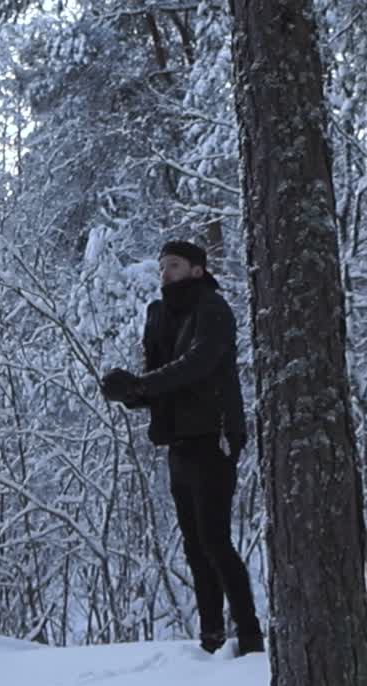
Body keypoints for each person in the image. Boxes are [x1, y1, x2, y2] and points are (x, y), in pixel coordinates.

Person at [100, 240, 264, 657]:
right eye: (161, 268)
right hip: (178, 440)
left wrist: (141, 385)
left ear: (195, 270)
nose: (165, 274)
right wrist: (130, 393)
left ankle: (249, 635)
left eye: (173, 266)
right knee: (195, 543)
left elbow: (199, 363)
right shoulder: (160, 315)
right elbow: (160, 378)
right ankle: (211, 638)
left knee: (214, 539)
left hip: (215, 435)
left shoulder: (213, 308)